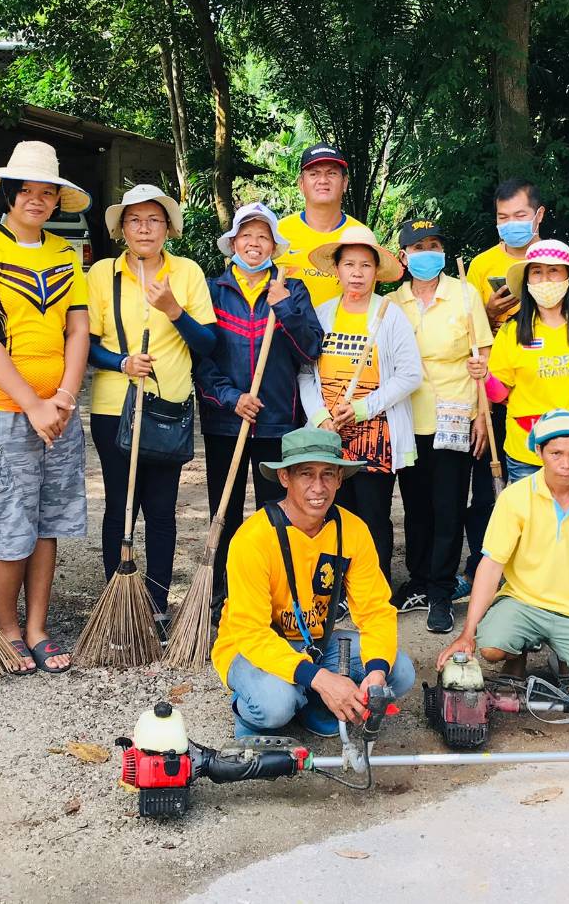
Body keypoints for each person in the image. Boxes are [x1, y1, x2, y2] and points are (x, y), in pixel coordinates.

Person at [0, 141, 93, 675]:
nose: (36, 200)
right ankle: (7, 627)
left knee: (47, 522)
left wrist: (63, 396)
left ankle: (38, 627)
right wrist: (33, 403)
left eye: (46, 192)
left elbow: (77, 327)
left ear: (57, 200)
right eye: (26, 191)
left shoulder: (63, 254)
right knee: (10, 525)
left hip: (57, 411)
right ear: (8, 195)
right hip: (0, 410)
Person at [212, 427, 416, 738]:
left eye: (327, 474)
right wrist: (322, 678)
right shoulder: (252, 539)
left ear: (339, 479)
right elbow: (251, 632)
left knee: (397, 673)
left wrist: (375, 671)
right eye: (306, 474)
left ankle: (309, 703)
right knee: (275, 705)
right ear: (285, 478)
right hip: (252, 647)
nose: (318, 487)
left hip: (316, 644)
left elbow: (375, 610)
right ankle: (254, 714)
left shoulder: (353, 531)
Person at [459, 179, 569, 598]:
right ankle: (494, 576)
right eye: (503, 218)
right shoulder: (481, 265)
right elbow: (474, 336)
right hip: (511, 394)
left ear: (539, 215)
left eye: (520, 216)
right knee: (505, 499)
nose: (511, 225)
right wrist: (481, 401)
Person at [85, 184, 216, 628]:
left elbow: (208, 343)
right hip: (112, 408)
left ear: (168, 228)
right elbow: (85, 345)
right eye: (135, 219)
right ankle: (115, 602)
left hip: (169, 407)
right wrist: (122, 361)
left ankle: (158, 604)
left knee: (161, 509)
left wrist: (174, 309)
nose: (144, 228)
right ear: (122, 228)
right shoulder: (104, 273)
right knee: (120, 505)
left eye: (153, 219)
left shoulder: (188, 273)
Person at [437, 411, 569, 701]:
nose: (565, 464)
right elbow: (491, 566)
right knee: (490, 645)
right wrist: (467, 633)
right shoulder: (515, 496)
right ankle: (517, 657)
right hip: (524, 602)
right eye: (556, 453)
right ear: (539, 451)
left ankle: (565, 657)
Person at [195, 202, 323, 617]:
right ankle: (224, 595)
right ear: (233, 242)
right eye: (246, 235)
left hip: (276, 422)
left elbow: (312, 350)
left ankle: (277, 594)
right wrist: (233, 399)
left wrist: (284, 306)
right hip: (226, 422)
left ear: (273, 245)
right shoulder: (213, 291)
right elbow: (202, 357)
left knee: (276, 512)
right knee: (226, 511)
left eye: (263, 236)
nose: (254, 243)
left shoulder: (293, 290)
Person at [298, 224, 422, 584]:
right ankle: (334, 590)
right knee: (331, 512)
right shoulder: (321, 314)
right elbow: (306, 373)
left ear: (376, 273)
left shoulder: (390, 315)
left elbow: (409, 375)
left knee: (372, 515)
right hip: (329, 436)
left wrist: (365, 408)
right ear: (336, 270)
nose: (356, 273)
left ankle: (373, 589)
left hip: (374, 437)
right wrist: (320, 416)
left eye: (365, 265)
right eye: (349, 264)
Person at [391, 217, 492, 634]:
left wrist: (482, 416)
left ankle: (440, 590)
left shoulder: (465, 295)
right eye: (418, 248)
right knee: (414, 506)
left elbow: (485, 360)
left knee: (449, 506)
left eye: (434, 245)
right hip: (406, 416)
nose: (427, 253)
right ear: (403, 256)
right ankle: (417, 578)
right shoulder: (392, 304)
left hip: (455, 415)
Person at [484, 240, 569, 486]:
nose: (545, 279)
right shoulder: (511, 330)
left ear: (568, 277)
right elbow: (498, 395)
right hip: (527, 450)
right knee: (529, 523)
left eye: (553, 271)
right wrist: (483, 375)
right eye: (537, 272)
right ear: (527, 280)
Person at [277, 143, 360, 306]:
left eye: (332, 173)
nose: (323, 180)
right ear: (301, 183)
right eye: (314, 174)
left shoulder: (360, 236)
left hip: (343, 330)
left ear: (345, 183)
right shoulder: (277, 232)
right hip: (284, 330)